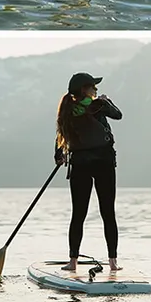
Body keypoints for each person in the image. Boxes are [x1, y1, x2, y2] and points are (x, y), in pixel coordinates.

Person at [55, 72, 123, 272]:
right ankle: (113, 263)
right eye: (93, 87)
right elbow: (118, 115)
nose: (96, 90)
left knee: (78, 214)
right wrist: (107, 102)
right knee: (108, 212)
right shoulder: (98, 105)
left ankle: (73, 262)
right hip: (104, 163)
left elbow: (61, 137)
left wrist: (59, 155)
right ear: (85, 89)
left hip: (80, 164)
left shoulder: (67, 110)